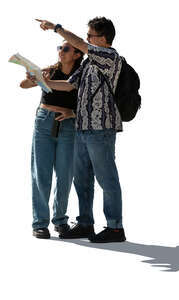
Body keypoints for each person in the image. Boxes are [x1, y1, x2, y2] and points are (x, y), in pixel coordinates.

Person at [35, 17, 126, 243]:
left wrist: (57, 29)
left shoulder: (109, 56)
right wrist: (42, 80)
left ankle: (115, 228)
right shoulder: (87, 63)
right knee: (82, 180)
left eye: (90, 35)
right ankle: (85, 223)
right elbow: (69, 84)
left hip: (101, 129)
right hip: (82, 128)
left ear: (103, 39)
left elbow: (82, 46)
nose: (86, 40)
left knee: (107, 179)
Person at [21, 42, 84, 239]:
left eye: (66, 49)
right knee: (41, 173)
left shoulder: (81, 75)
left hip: (68, 124)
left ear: (76, 54)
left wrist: (72, 112)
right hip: (44, 122)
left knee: (65, 175)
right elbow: (23, 85)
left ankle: (60, 220)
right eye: (60, 48)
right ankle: (40, 223)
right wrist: (33, 79)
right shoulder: (50, 70)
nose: (61, 52)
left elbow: (86, 103)